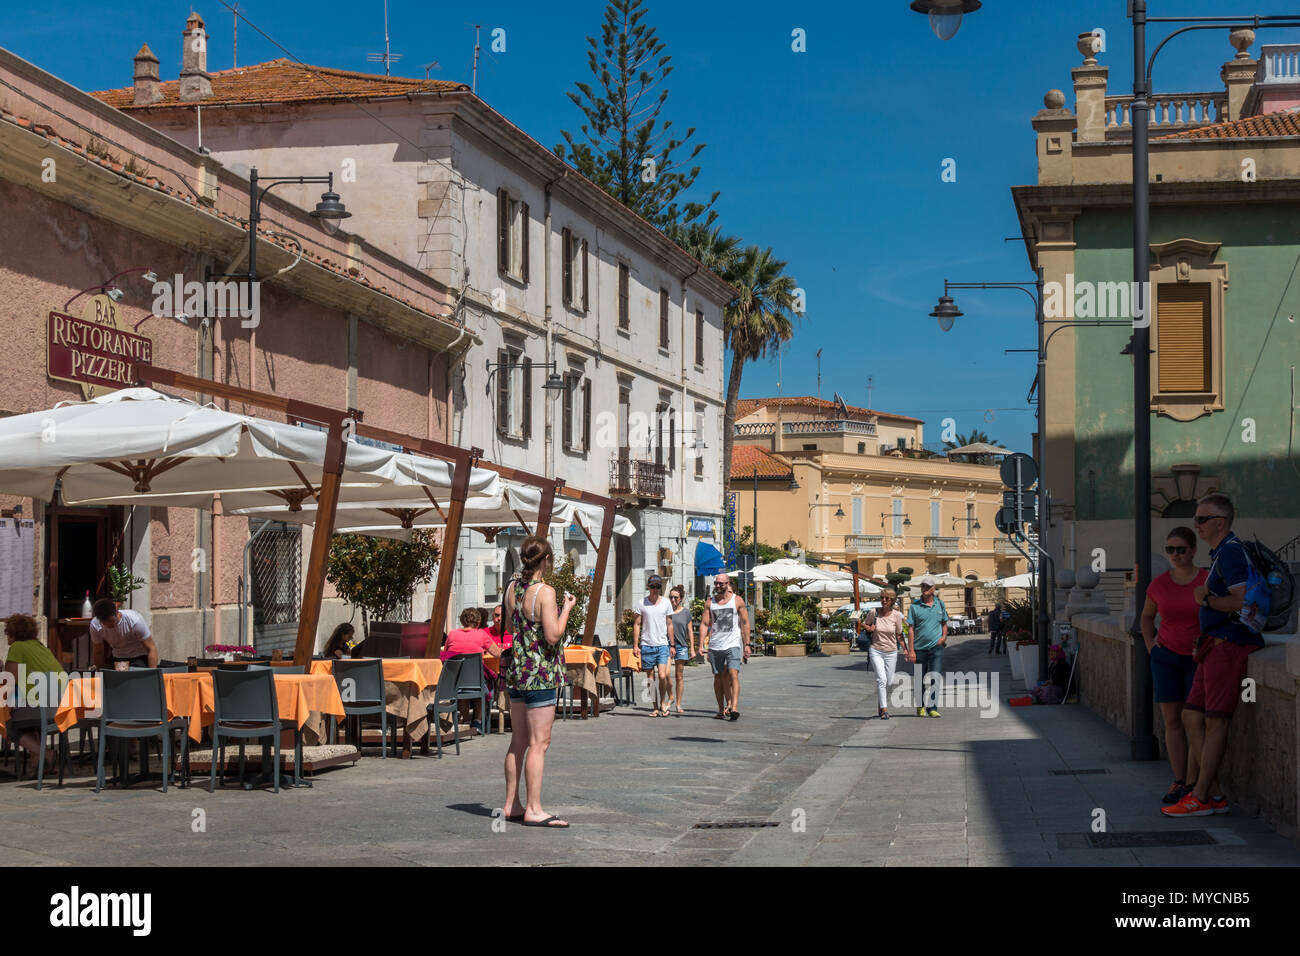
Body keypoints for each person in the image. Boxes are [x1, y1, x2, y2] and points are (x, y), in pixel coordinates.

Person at [1163, 493, 1260, 818]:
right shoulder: (1221, 554)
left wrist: (1204, 600)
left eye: (1202, 519)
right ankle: (1213, 792)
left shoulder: (1231, 554)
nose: (1196, 524)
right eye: (1195, 518)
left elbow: (1240, 601)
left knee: (1216, 721)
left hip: (1229, 646)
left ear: (1220, 522)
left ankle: (1201, 796)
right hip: (1213, 645)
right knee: (1191, 716)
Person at [502, 535, 574, 829]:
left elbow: (508, 627)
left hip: (517, 672)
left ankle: (511, 804)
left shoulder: (512, 588)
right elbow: (553, 635)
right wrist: (567, 607)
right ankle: (533, 808)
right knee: (538, 742)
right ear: (546, 560)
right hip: (541, 673)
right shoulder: (545, 592)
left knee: (517, 740)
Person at [1140, 527, 1208, 805]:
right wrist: (1151, 647)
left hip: (1198, 659)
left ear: (1193, 550)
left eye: (1181, 549)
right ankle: (1179, 780)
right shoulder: (1159, 585)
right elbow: (1146, 617)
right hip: (1166, 658)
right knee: (1172, 721)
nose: (1176, 555)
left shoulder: (1207, 580)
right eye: (1171, 549)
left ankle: (1194, 782)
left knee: (1195, 721)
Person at [2, 614, 66, 770]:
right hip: (60, 708)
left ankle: (46, 754)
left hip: (40, 708)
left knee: (7, 723)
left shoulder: (17, 647)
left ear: (13, 633)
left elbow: (9, 681)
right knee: (23, 716)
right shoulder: (42, 648)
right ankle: (38, 764)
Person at [442, 608, 505, 729]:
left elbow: (446, 653)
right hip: (476, 681)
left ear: (462, 620)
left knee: (464, 688)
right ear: (478, 621)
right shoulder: (481, 634)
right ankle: (478, 720)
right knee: (482, 684)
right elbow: (497, 653)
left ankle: (465, 718)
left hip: (455, 681)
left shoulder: (452, 634)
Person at [699, 573, 750, 721]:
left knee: (733, 673)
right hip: (715, 645)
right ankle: (721, 709)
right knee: (719, 678)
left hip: (732, 644)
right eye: (716, 583)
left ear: (728, 584)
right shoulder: (710, 603)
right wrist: (701, 644)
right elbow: (704, 624)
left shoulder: (737, 601)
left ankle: (734, 707)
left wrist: (747, 644)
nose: (718, 586)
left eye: (721, 583)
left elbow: (745, 623)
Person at [905, 576, 948, 718]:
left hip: (936, 648)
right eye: (923, 586)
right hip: (919, 649)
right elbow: (910, 629)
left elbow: (944, 623)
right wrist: (911, 650)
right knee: (920, 679)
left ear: (933, 589)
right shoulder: (914, 607)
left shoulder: (940, 604)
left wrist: (943, 638)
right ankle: (920, 706)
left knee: (935, 677)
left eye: (927, 587)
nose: (924, 589)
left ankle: (933, 707)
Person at [634, 575, 673, 717]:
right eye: (653, 586)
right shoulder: (641, 603)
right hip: (647, 645)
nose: (655, 589)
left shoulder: (666, 603)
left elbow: (669, 624)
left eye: (658, 587)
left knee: (663, 676)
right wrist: (635, 645)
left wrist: (672, 644)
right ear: (648, 587)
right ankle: (655, 706)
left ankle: (663, 702)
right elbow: (637, 624)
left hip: (662, 644)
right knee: (650, 678)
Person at [862, 589, 904, 719]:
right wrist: (869, 628)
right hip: (876, 650)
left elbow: (899, 634)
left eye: (887, 598)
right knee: (881, 679)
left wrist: (907, 650)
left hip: (891, 652)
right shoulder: (874, 612)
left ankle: (881, 703)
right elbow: (865, 624)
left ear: (892, 600)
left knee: (890, 681)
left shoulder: (897, 615)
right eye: (882, 597)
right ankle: (885, 710)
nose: (884, 600)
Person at [89, 599, 158, 669]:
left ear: (116, 612)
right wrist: (97, 674)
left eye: (111, 621)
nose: (108, 625)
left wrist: (153, 674)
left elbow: (151, 648)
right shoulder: (95, 625)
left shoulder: (134, 620)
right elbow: (98, 652)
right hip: (118, 658)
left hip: (139, 656)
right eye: (104, 623)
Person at [667, 585, 695, 715]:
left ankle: (678, 704)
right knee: (665, 674)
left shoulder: (686, 612)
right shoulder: (666, 611)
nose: (673, 600)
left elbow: (690, 631)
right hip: (667, 645)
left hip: (681, 646)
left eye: (675, 598)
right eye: (671, 597)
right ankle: (671, 696)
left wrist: (692, 649)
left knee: (679, 677)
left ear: (681, 598)